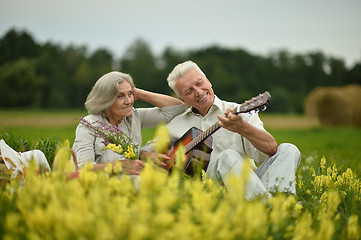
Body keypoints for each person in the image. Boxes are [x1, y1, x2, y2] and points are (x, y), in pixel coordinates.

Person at [143, 60, 301, 199]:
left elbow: (271, 149)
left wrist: (243, 128)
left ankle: (273, 205)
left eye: (199, 83)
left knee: (289, 149)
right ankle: (276, 209)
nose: (198, 92)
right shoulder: (176, 124)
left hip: (250, 182)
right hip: (211, 189)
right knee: (227, 156)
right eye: (188, 91)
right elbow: (147, 150)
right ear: (182, 100)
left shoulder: (238, 112)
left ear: (208, 81)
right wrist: (149, 154)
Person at [72, 71, 186, 175]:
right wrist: (120, 166)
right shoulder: (88, 125)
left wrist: (139, 94)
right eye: (120, 96)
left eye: (130, 94)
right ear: (105, 100)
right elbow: (83, 168)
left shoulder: (134, 116)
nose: (129, 101)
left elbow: (178, 108)